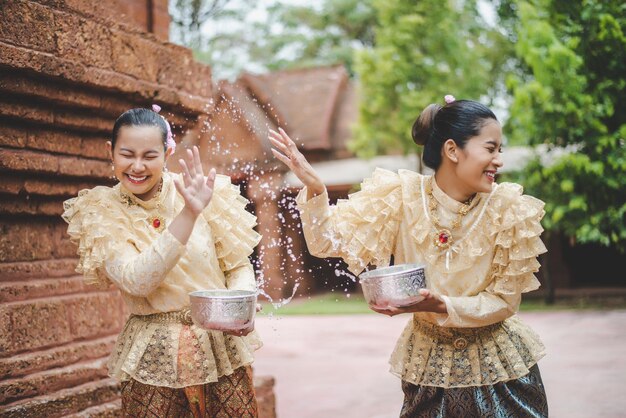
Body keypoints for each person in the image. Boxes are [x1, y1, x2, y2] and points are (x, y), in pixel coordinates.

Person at [270, 96, 548, 417]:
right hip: (429, 373)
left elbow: (504, 302)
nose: (498, 160)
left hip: (503, 376)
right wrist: (316, 189)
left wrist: (442, 305)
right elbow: (326, 243)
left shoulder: (509, 208)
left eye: (500, 149)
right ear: (453, 150)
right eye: (490, 148)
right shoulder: (400, 197)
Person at [63, 106, 262, 417]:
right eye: (127, 154)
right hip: (153, 352)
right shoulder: (100, 210)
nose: (137, 166)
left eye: (150, 155)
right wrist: (189, 214)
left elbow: (237, 265)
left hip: (219, 346)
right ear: (111, 152)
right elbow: (137, 281)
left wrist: (241, 303)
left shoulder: (206, 191)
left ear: (168, 152)